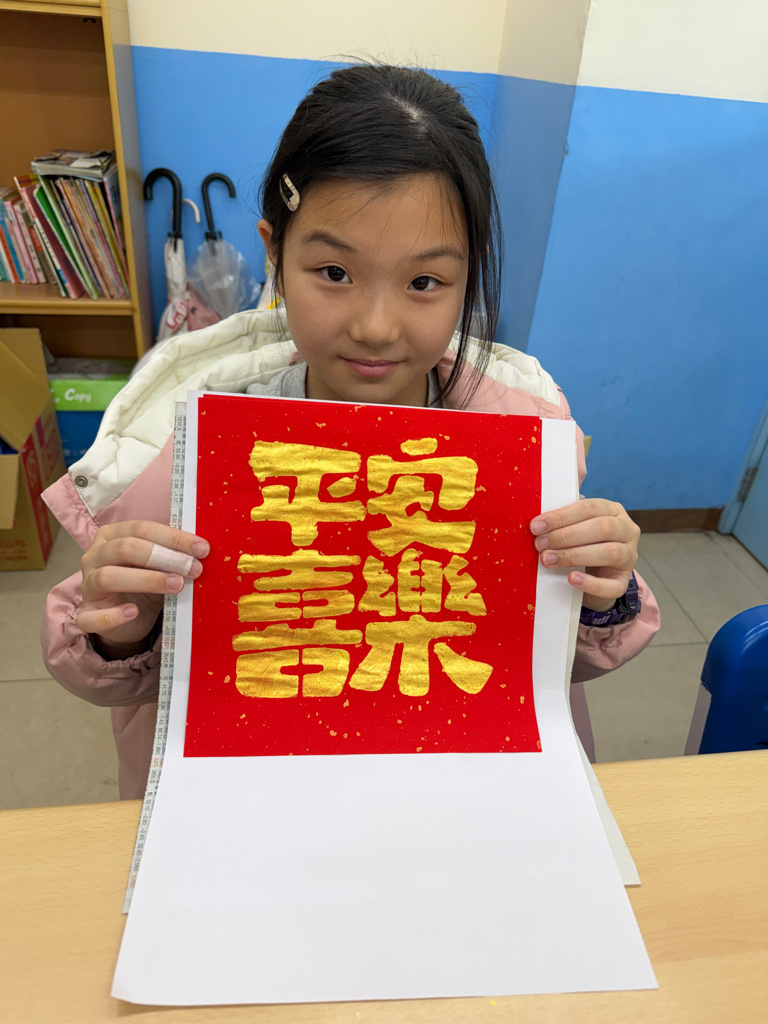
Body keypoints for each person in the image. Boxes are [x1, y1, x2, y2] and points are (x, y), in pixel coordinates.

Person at [41, 64, 659, 798]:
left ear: (470, 277)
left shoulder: (520, 438)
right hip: (257, 804)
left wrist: (603, 595)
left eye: (424, 282)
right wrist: (122, 625)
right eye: (334, 272)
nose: (375, 326)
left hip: (460, 798)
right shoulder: (196, 451)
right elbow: (116, 672)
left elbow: (552, 665)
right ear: (275, 252)